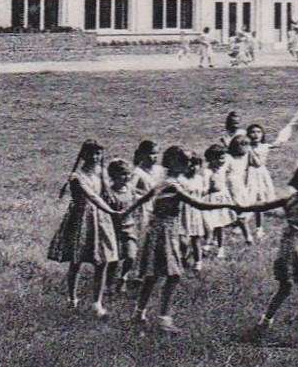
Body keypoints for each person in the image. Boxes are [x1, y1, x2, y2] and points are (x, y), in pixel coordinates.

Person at [188, 163, 298, 341]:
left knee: (285, 287)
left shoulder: (289, 199)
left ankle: (264, 323)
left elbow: (261, 205)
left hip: (288, 243)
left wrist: (239, 206)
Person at [48, 140, 123, 317]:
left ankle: (97, 302)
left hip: (101, 219)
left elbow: (107, 194)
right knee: (77, 259)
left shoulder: (101, 172)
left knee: (103, 259)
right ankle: (72, 299)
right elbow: (91, 196)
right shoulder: (77, 176)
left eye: (98, 153)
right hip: (82, 218)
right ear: (83, 155)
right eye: (91, 153)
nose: (95, 157)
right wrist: (111, 210)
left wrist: (118, 203)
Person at [132, 146, 193, 332]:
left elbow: (144, 199)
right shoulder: (173, 185)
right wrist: (230, 205)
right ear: (174, 163)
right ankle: (164, 318)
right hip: (164, 232)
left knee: (153, 275)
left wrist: (125, 212)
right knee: (173, 275)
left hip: (160, 230)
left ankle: (139, 312)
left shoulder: (164, 181)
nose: (188, 165)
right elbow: (197, 204)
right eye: (184, 161)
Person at [106, 158, 145, 289]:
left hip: (129, 228)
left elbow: (139, 201)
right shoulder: (109, 193)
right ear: (113, 175)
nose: (126, 177)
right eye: (122, 174)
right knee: (114, 261)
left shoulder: (130, 190)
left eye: (128, 174)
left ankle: (124, 277)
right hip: (112, 230)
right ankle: (109, 284)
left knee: (131, 256)